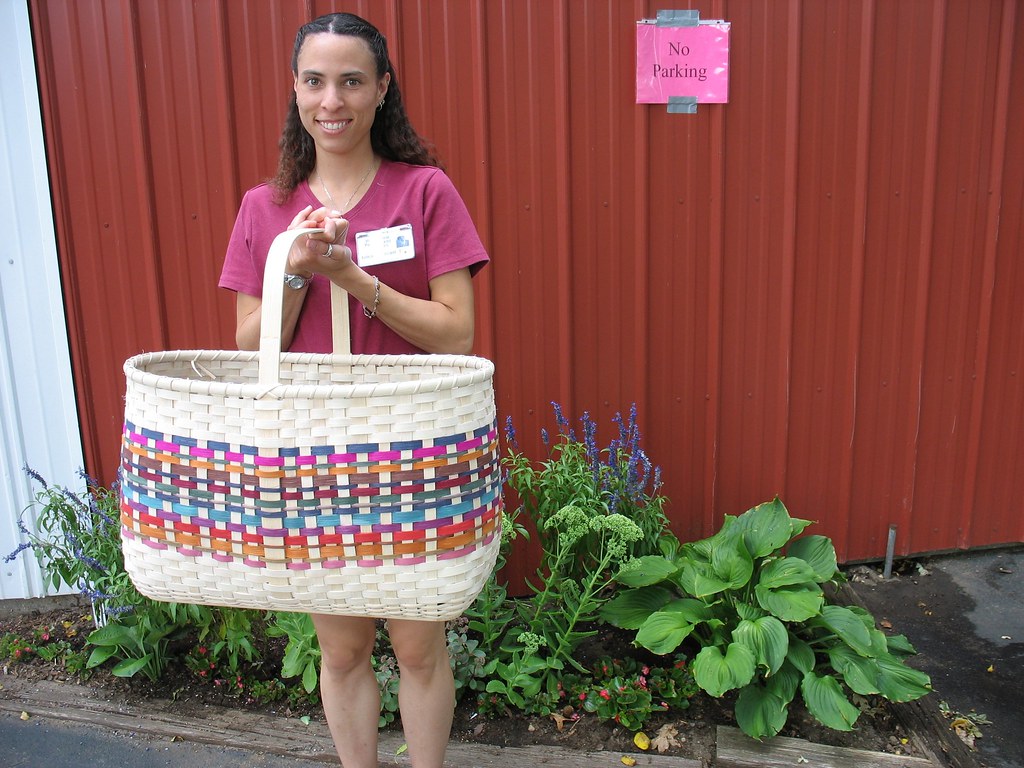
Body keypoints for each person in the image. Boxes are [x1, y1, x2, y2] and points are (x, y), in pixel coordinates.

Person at [218, 12, 489, 768]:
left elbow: (456, 332)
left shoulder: (424, 192)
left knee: (418, 644)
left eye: (350, 81)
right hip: (312, 456)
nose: (330, 100)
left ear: (381, 90)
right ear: (296, 91)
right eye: (314, 81)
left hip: (408, 452)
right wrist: (300, 271)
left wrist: (355, 279)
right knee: (340, 652)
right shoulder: (264, 208)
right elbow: (248, 346)